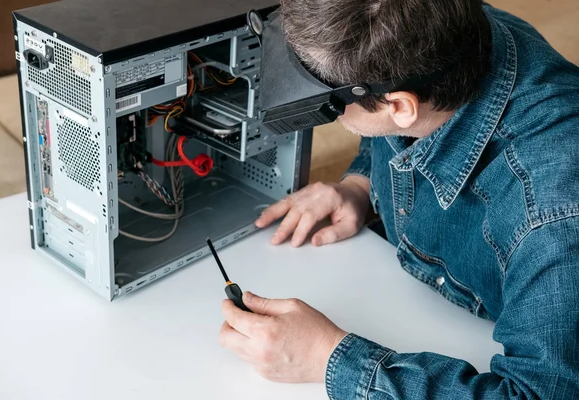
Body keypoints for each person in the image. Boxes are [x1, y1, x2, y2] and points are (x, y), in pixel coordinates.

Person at [218, 0, 579, 398]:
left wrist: (326, 358)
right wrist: (360, 185)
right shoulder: (434, 29)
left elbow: (539, 393)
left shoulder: (552, 216)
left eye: (331, 104)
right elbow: (387, 122)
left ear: (399, 106)